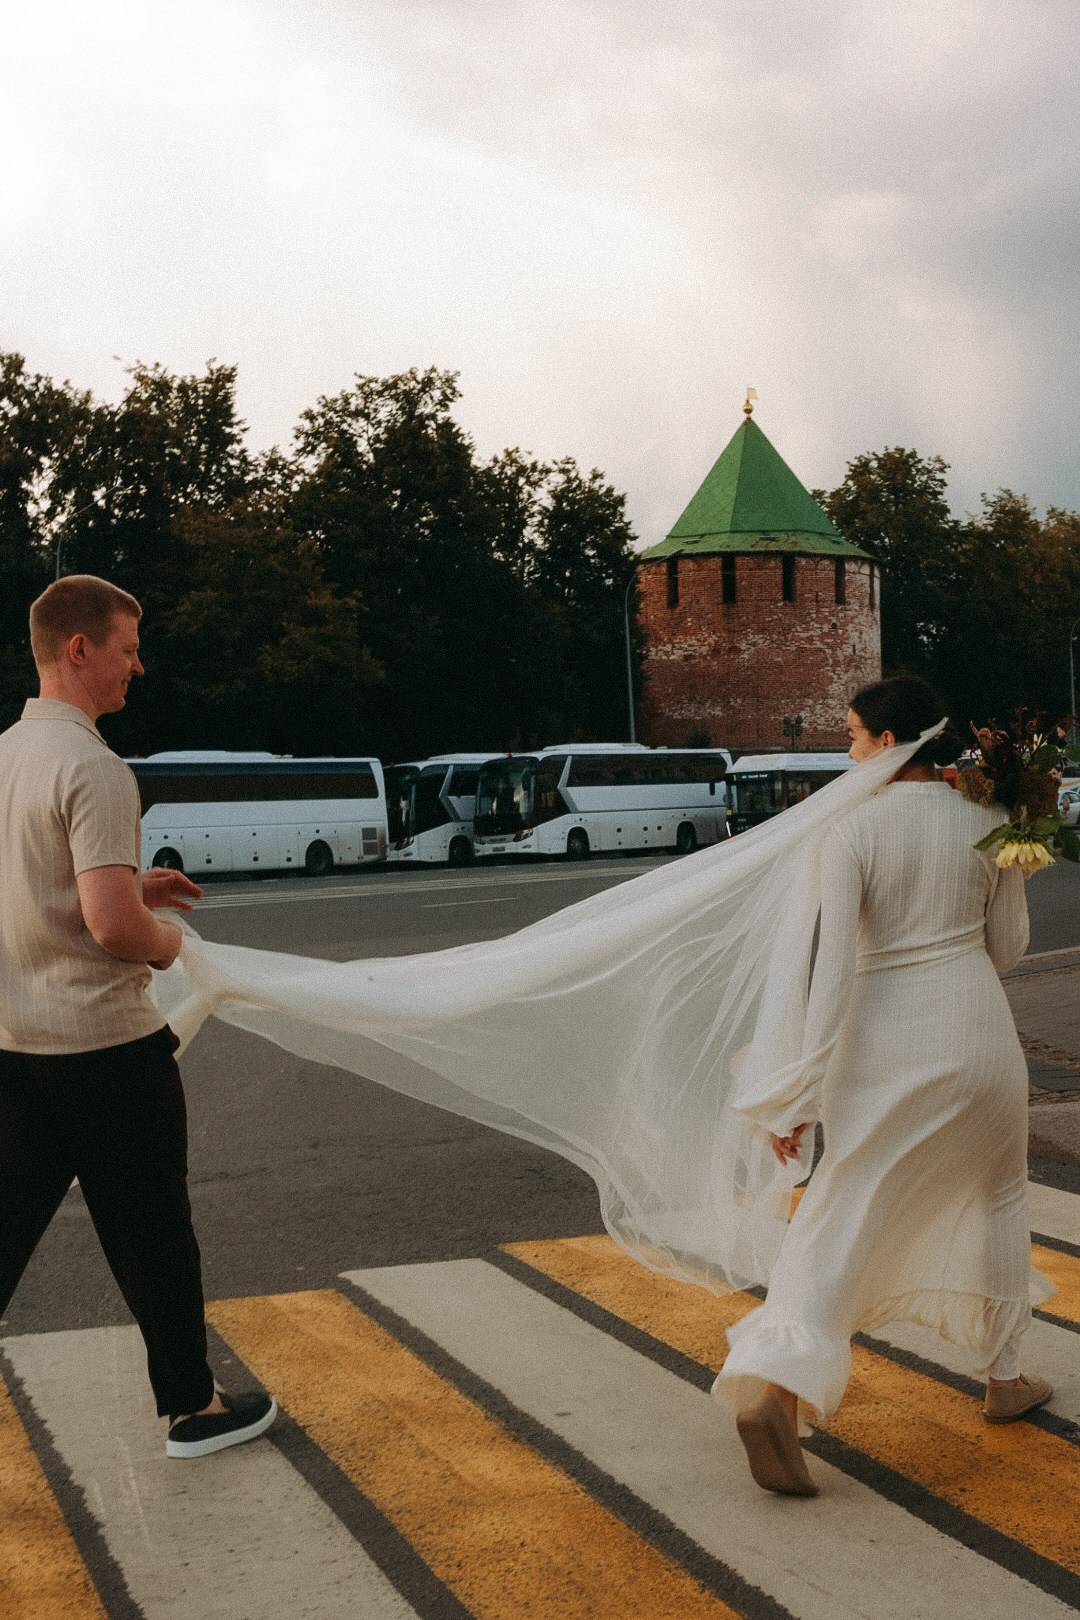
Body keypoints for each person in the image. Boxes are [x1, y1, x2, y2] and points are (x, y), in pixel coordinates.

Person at [714, 675, 1051, 1496]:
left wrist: (792, 1093)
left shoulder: (850, 830)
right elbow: (1005, 949)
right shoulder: (995, 817)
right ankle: (1005, 1379)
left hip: (883, 1045)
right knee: (1002, 1194)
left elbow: (829, 982)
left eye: (857, 736)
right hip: (980, 1038)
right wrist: (1017, 866)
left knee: (841, 1206)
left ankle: (780, 1392)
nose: (850, 751)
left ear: (892, 740)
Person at [0, 575, 276, 1460]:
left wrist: (127, 882)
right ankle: (192, 1409)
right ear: (79, 650)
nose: (138, 666)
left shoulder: (7, 754)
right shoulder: (94, 765)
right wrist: (166, 943)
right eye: (127, 647)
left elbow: (36, 886)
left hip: (15, 1042)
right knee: (152, 1226)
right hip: (105, 1047)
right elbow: (113, 926)